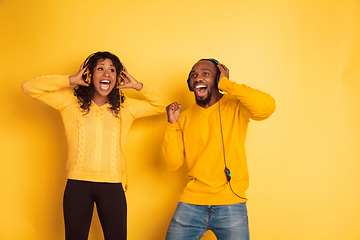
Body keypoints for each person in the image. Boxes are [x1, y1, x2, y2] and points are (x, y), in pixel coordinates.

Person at [21, 51, 169, 240]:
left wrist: (137, 85)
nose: (107, 74)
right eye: (100, 69)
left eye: (112, 70)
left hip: (112, 186)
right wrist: (71, 80)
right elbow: (29, 87)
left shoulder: (126, 107)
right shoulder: (69, 103)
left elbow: (163, 104)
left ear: (118, 77)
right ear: (89, 74)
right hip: (77, 186)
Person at [161, 58, 276, 240]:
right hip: (191, 203)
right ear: (190, 84)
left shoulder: (236, 106)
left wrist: (228, 85)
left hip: (230, 203)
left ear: (217, 79)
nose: (198, 78)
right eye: (194, 75)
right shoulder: (184, 117)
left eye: (205, 74)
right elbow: (171, 164)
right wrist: (171, 125)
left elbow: (267, 107)